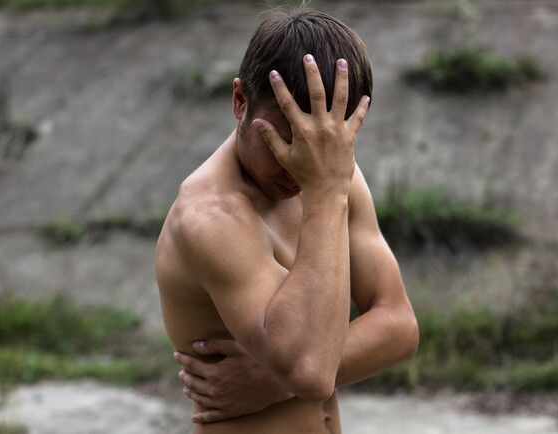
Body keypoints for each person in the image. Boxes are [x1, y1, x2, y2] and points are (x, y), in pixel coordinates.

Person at [155, 5, 419, 433]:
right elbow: (311, 371)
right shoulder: (210, 217)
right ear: (240, 100)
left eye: (318, 143)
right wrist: (327, 191)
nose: (300, 165)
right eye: (282, 138)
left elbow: (400, 325)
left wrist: (272, 382)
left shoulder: (328, 172)